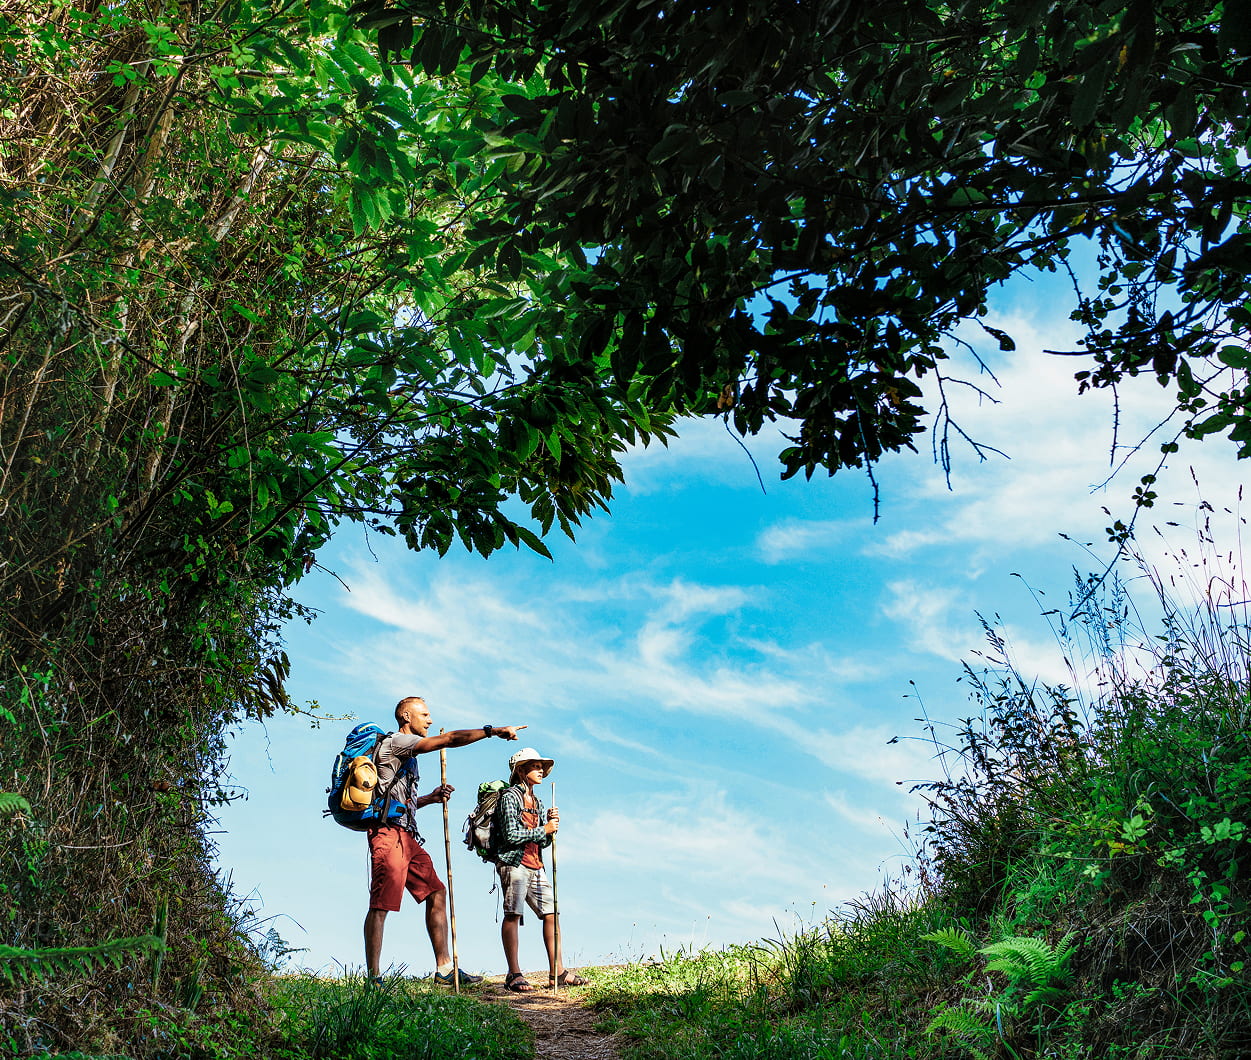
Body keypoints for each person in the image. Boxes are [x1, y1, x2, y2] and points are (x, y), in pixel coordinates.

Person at [364, 695, 524, 986]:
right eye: (424, 715)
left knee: (436, 892)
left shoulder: (407, 755)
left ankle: (444, 969)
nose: (430, 720)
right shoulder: (397, 743)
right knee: (382, 903)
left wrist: (429, 798)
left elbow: (397, 800)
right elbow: (449, 739)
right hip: (387, 835)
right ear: (405, 717)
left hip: (407, 836)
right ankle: (373, 977)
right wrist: (492, 731)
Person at [495, 746, 588, 992]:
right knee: (513, 914)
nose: (540, 771)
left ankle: (557, 971)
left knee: (551, 913)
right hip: (513, 862)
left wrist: (550, 827)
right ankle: (513, 974)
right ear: (521, 771)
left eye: (540, 767)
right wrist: (543, 829)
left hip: (535, 863)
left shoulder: (537, 801)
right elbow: (511, 834)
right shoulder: (509, 797)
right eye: (534, 767)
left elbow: (543, 841)